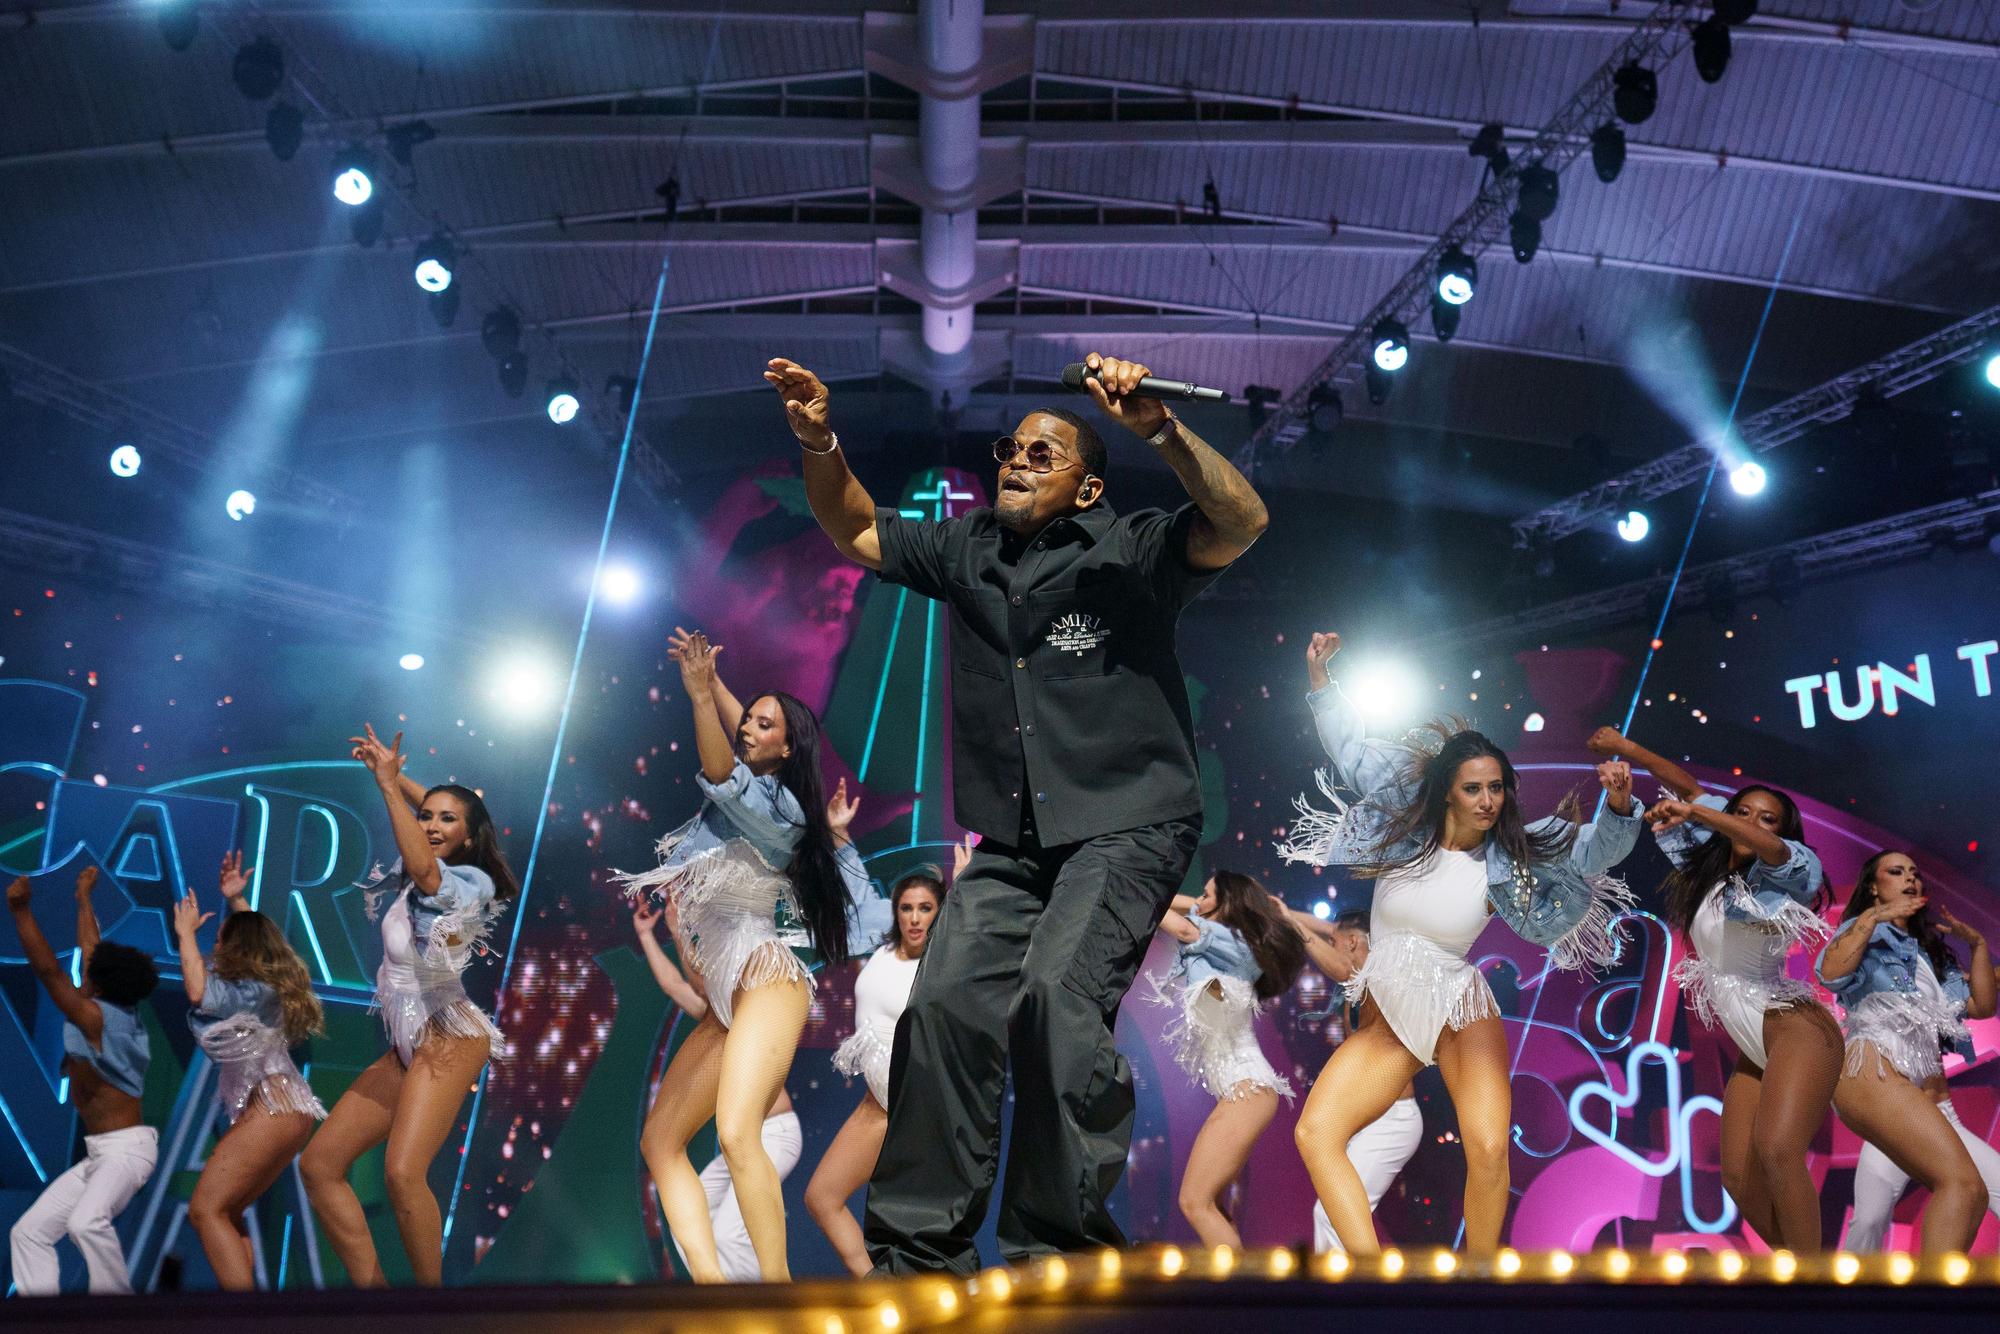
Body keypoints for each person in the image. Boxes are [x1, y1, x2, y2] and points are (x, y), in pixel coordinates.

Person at [767, 349, 1268, 1272]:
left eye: (1045, 454)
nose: (1018, 460)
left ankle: (1058, 1254)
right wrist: (820, 440)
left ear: (1085, 489)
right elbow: (859, 532)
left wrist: (1159, 430)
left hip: (1130, 822)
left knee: (1053, 1000)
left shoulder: (1132, 548)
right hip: (1015, 839)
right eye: (1012, 448)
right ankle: (920, 1256)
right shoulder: (967, 549)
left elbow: (1241, 520)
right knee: (946, 1006)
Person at [1281, 630, 1640, 1255]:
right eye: (1474, 788)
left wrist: (1618, 805)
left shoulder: (1512, 854)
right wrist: (1320, 679)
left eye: (1497, 788)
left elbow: (1592, 853)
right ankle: (1371, 1272)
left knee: (1490, 1149)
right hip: (1392, 1010)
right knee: (1316, 1133)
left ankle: (1480, 1287)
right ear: (1449, 788)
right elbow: (1352, 750)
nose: (1487, 800)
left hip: (1457, 1003)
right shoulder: (1406, 829)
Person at [615, 626, 855, 1282]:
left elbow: (722, 769)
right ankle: (713, 1295)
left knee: (735, 1132)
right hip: (724, 989)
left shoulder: (780, 807)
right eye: (744, 717)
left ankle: (779, 1298)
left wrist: (699, 696)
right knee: (660, 1144)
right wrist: (718, 687)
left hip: (765, 975)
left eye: (763, 723)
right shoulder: (755, 785)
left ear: (789, 743)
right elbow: (743, 734)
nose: (747, 725)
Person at [299, 726, 518, 1287]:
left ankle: (430, 1311)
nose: (433, 825)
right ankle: (377, 1301)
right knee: (320, 1166)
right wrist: (395, 780)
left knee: (402, 1173)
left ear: (468, 840)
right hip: (408, 1042)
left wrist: (389, 790)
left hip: (448, 1033)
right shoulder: (421, 868)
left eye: (448, 821)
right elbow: (432, 834)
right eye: (428, 815)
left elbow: (426, 865)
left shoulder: (469, 882)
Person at [1649, 779, 1830, 1252]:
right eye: (1743, 813)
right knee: (1737, 1178)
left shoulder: (1782, 874)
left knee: (1777, 1152)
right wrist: (1626, 748)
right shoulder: (1709, 876)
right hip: (1755, 1047)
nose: (1752, 825)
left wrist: (1700, 813)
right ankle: (1803, 1272)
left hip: (1795, 1029)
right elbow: (1687, 789)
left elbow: (1766, 844)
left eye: (1766, 819)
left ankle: (1821, 1297)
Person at [1816, 850, 1999, 1252]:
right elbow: (1829, 974)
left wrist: (1980, 945)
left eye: (1915, 873)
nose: (1910, 879)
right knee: (1943, 1194)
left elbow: (1982, 1006)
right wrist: (1874, 917)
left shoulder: (1930, 959)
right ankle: (1865, 1308)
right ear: (1873, 886)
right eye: (1896, 872)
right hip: (1878, 1074)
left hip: (1930, 1107)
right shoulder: (1867, 935)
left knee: (1969, 1193)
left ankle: (1922, 1305)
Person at [805, 842, 965, 1276]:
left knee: (919, 1230)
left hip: (913, 1109)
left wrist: (964, 891)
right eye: (907, 908)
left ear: (941, 912)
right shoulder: (884, 944)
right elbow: (858, 896)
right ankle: (881, 1293)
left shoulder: (944, 960)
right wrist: (838, 837)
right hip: (876, 1102)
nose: (915, 917)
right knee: (822, 1197)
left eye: (927, 908)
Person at [173, 851, 327, 1290]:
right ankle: (248, 1307)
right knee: (225, 1212)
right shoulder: (263, 988)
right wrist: (237, 901)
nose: (215, 947)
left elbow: (197, 991)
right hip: (286, 1109)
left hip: (271, 1105)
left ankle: (242, 1318)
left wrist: (184, 934)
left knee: (204, 1210)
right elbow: (265, 940)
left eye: (221, 940)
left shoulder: (244, 991)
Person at [631, 898, 804, 1284]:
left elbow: (702, 979)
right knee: (672, 1166)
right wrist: (653, 935)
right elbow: (679, 983)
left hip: (774, 1131)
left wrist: (677, 933)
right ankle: (714, 1293)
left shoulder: (754, 1008)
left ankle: (776, 1298)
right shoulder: (714, 1009)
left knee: (729, 1223)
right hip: (741, 1137)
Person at [8, 865, 160, 1295]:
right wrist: (83, 899)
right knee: (29, 1232)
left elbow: (50, 973)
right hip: (101, 1155)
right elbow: (91, 948)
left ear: (95, 985)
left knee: (84, 1221)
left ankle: (115, 1313)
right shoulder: (113, 1009)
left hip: (126, 1153)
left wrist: (21, 911)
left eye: (88, 974)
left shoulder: (95, 1018)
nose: (83, 974)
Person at [1148, 870, 1306, 1247]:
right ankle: (1241, 1296)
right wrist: (1202, 901)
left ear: (1229, 905)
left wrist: (1135, 889)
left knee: (1194, 1202)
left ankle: (1241, 1302)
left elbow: (1180, 927)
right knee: (1213, 1208)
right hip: (1242, 1093)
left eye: (1205, 895)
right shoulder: (1223, 945)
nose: (1196, 902)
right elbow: (1183, 911)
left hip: (1246, 1091)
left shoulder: (1233, 942)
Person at [1282, 908, 1423, 1256]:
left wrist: (1293, 924)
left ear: (1354, 942)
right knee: (1335, 1213)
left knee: (1333, 1214)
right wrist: (1284, 913)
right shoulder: (1365, 960)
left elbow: (1344, 966)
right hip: (1371, 1119)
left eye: (1334, 942)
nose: (1329, 945)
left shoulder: (1377, 974)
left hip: (1393, 1120)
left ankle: (1356, 1301)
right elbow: (1339, 934)